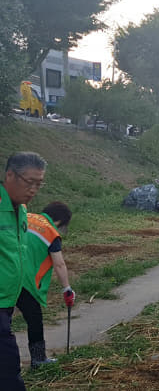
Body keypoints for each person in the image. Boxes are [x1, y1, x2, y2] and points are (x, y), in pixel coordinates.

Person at [1, 151, 47, 390]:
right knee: (9, 372)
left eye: (39, 184)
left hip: (10, 298)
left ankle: (39, 357)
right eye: (30, 182)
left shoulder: (21, 210)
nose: (34, 189)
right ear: (10, 175)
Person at [16, 202, 75, 368]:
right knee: (34, 318)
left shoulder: (24, 216)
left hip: (5, 272)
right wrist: (67, 288)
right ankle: (38, 359)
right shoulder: (51, 232)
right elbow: (59, 264)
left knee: (4, 317)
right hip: (24, 280)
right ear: (60, 221)